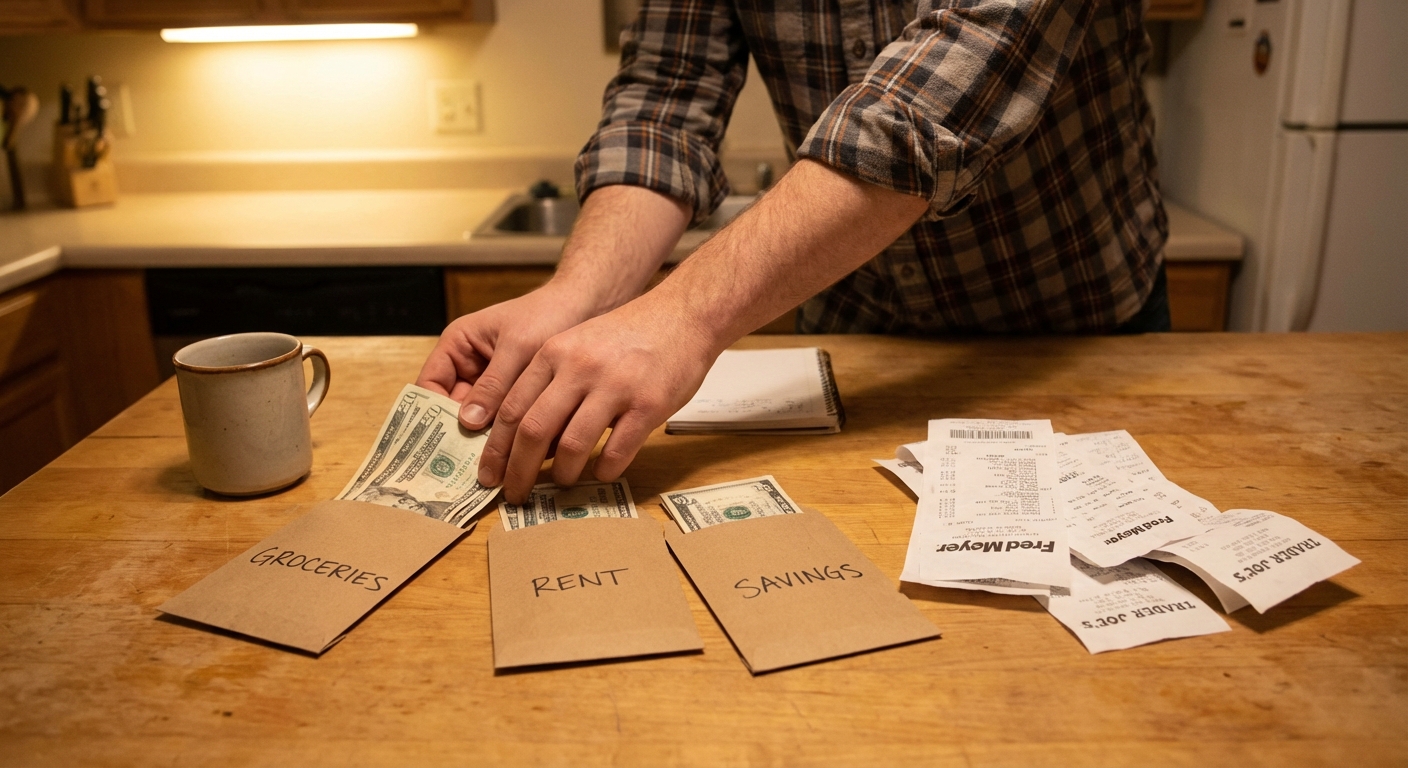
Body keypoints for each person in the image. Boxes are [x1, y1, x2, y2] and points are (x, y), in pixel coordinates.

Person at [417, 0, 1168, 503]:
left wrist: (678, 315)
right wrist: (572, 296)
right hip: (855, 334)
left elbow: (923, 109)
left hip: (1076, 336)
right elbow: (665, 103)